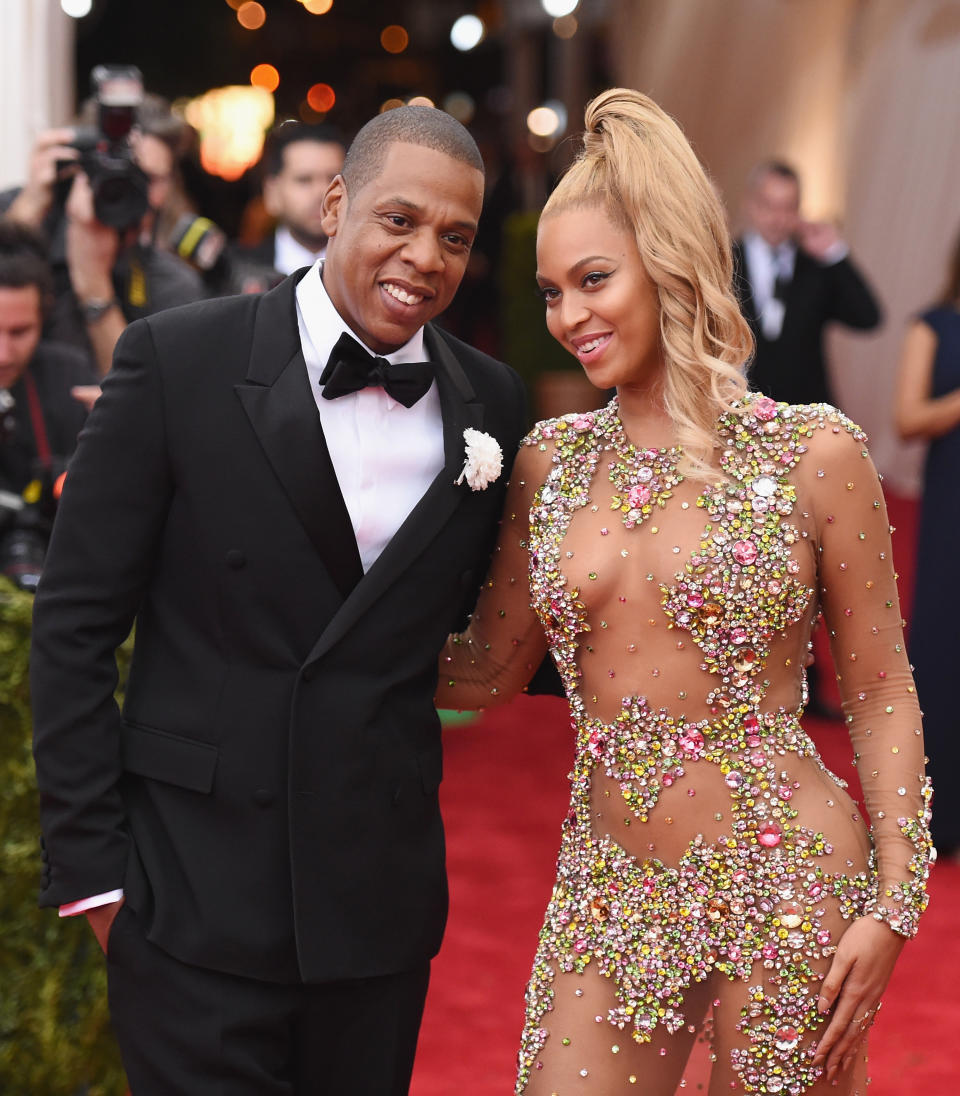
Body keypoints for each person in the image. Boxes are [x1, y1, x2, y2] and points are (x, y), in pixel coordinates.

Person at [439, 89, 932, 1095]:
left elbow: (881, 687)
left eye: (592, 280)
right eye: (548, 292)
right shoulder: (549, 463)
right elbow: (484, 673)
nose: (567, 316)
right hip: (609, 887)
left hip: (791, 879)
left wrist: (893, 901)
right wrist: (302, 614)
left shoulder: (814, 452)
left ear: (668, 259)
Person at [30, 105, 531, 1094]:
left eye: (456, 237)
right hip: (190, 897)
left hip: (373, 907)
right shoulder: (177, 359)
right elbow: (76, 623)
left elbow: (494, 623)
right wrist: (95, 876)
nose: (426, 256)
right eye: (400, 219)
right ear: (335, 204)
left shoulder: (494, 404)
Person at [1, 95, 205, 377]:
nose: (132, 191)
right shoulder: (20, 213)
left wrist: (93, 284)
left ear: (171, 184)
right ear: (77, 168)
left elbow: (151, 400)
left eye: (150, 178)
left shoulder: (171, 283)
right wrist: (25, 215)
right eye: (115, 174)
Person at [894, 228, 960, 859]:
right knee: (944, 647)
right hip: (951, 507)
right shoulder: (933, 326)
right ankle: (938, 820)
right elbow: (907, 418)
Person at [733, 160, 882, 408]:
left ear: (799, 210)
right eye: (768, 205)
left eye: (787, 208)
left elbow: (868, 317)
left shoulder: (814, 267)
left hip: (806, 414)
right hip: (740, 412)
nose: (777, 218)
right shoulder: (724, 261)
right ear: (749, 203)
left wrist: (835, 253)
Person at [236, 122, 347, 276]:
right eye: (304, 180)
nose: (321, 192)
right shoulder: (238, 272)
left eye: (333, 180)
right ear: (272, 193)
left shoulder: (370, 270)